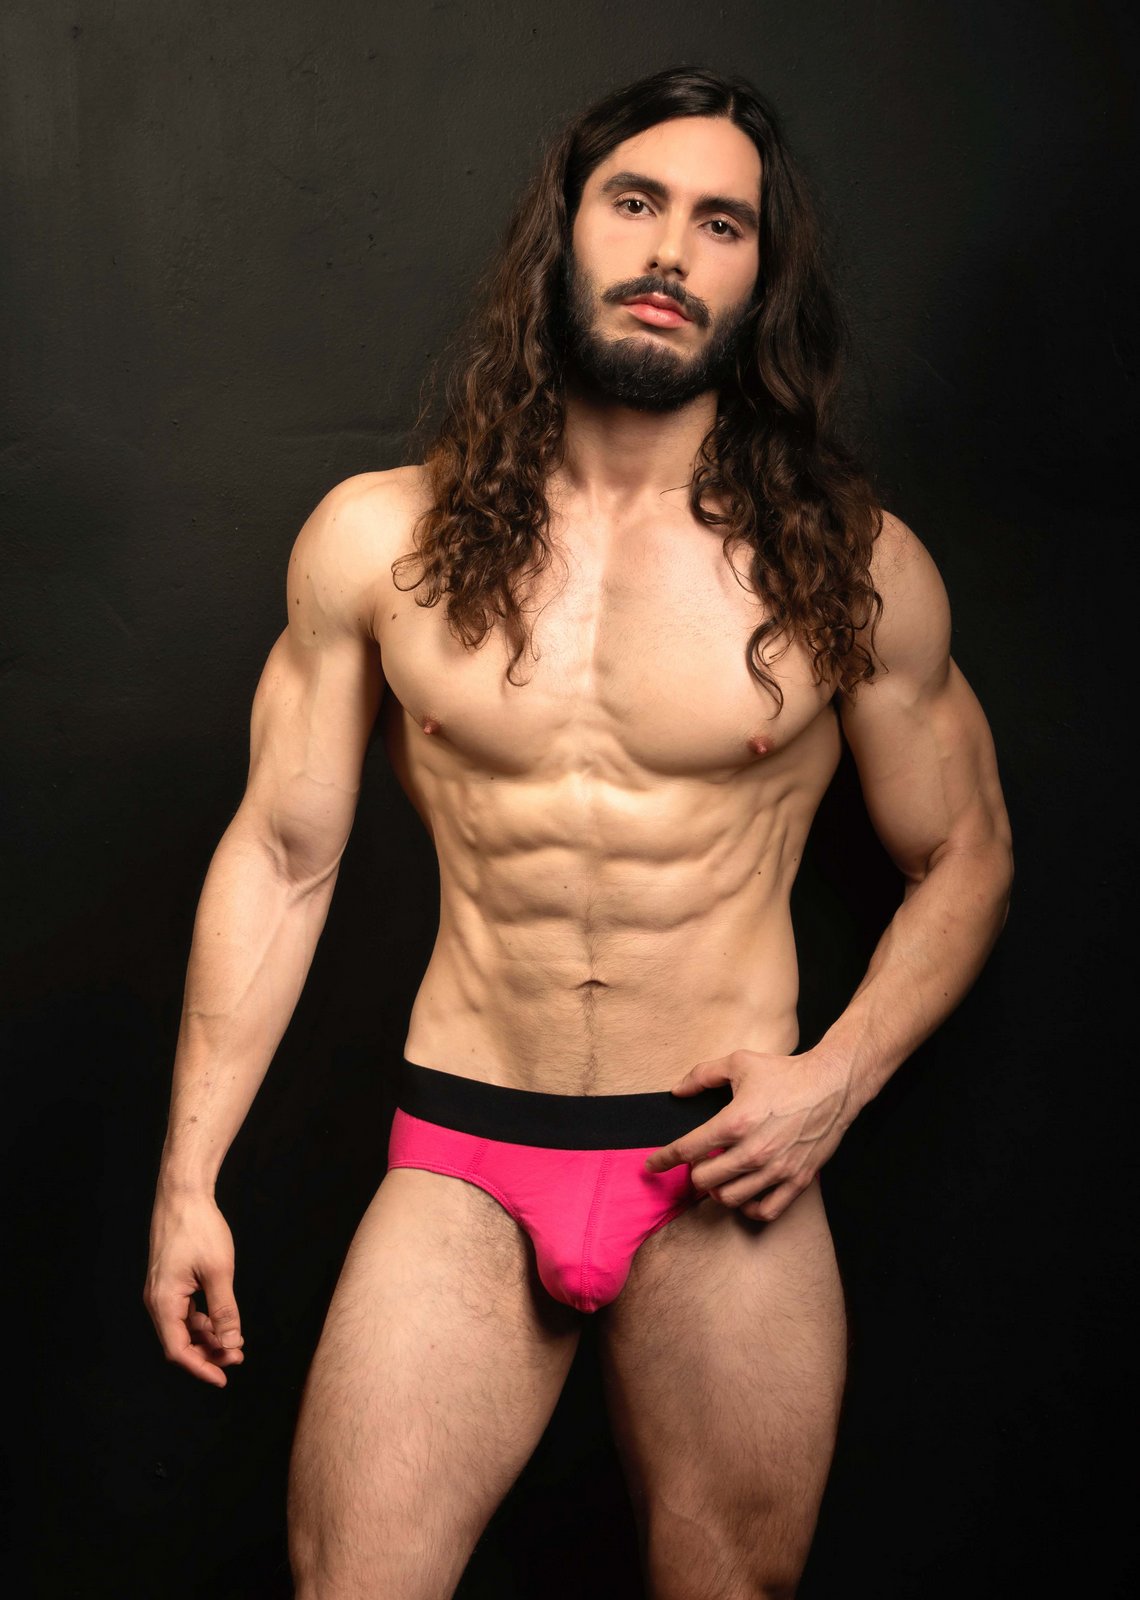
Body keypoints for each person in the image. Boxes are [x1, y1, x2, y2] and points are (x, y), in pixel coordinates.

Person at [143, 65, 1013, 1600]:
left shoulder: (852, 566)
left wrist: (837, 1080)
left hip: (722, 1173)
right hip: (467, 1153)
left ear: (762, 276)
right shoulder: (380, 539)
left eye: (721, 222)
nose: (672, 248)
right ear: (566, 234)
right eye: (637, 202)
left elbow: (970, 854)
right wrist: (187, 1178)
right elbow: (282, 858)